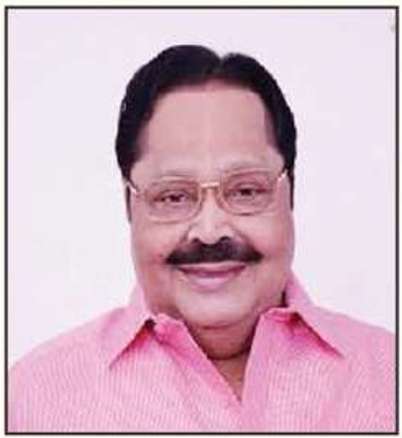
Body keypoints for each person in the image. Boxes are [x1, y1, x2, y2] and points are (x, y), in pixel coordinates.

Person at [8, 45, 395, 432]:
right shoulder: (32, 399)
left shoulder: (388, 376)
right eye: (173, 197)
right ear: (130, 205)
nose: (210, 231)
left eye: (245, 191)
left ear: (289, 192)